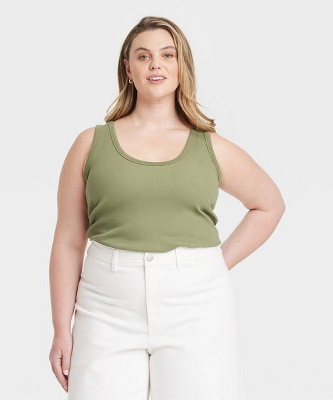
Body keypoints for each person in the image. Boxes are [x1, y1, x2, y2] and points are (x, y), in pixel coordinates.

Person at [48, 15, 285, 400]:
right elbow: (68, 242)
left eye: (167, 55)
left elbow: (269, 204)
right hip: (106, 307)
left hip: (197, 306)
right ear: (128, 69)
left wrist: (214, 265)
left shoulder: (211, 146)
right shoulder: (90, 144)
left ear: (181, 65)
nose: (155, 64)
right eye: (143, 56)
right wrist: (62, 329)